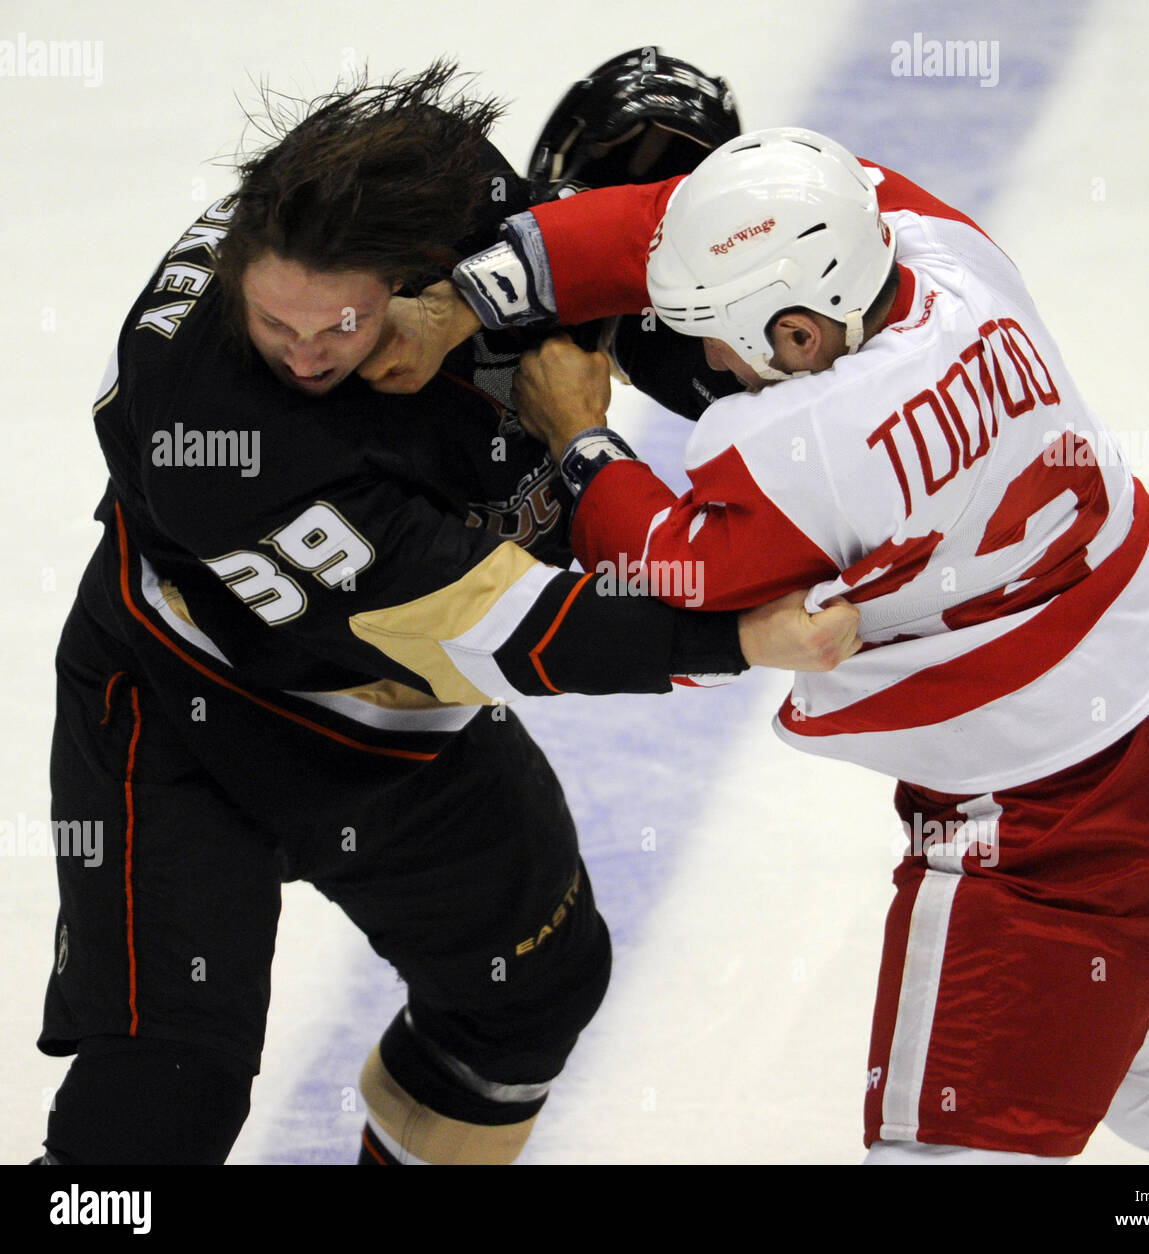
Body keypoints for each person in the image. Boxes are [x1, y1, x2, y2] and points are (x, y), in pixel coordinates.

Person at [396, 125, 1149, 1165]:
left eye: (717, 336)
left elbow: (674, 564)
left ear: (798, 337)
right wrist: (478, 289)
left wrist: (579, 433)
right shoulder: (947, 257)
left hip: (1056, 838)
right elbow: (674, 218)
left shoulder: (807, 442)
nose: (708, 365)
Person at [35, 67, 857, 1167]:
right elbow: (509, 626)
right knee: (161, 1103)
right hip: (184, 714)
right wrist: (736, 634)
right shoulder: (224, 443)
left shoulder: (439, 185)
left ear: (415, 274)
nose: (305, 353)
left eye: (338, 324)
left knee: (528, 996)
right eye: (274, 320)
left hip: (389, 728)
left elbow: (608, 291)